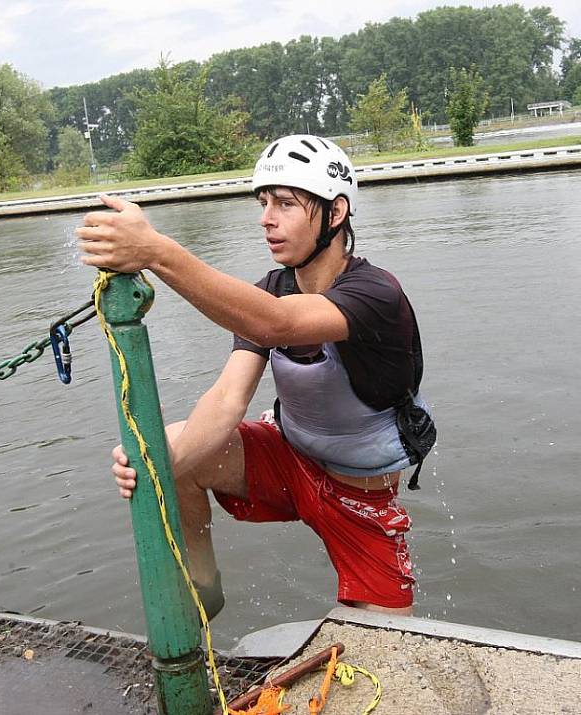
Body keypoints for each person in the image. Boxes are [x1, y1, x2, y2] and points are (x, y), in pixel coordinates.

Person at [76, 135, 434, 618]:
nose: (266, 218)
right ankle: (202, 590)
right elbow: (227, 399)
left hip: (359, 498)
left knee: (393, 651)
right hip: (290, 460)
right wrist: (155, 466)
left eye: (286, 204)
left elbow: (277, 323)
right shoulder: (275, 287)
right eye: (264, 203)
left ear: (336, 213)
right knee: (171, 446)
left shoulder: (376, 293)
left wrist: (157, 253)